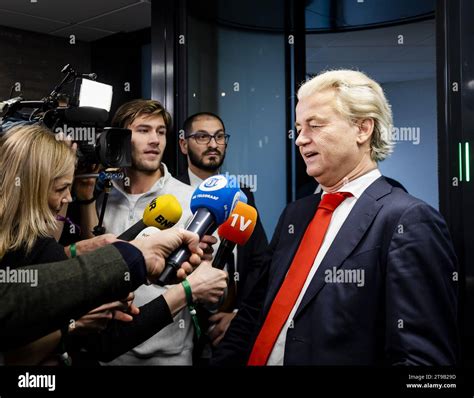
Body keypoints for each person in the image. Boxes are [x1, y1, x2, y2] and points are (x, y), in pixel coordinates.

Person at [212, 69, 459, 366]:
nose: (300, 139)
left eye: (314, 126)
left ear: (363, 129)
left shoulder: (408, 220)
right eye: (299, 127)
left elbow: (422, 361)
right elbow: (254, 312)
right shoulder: (295, 213)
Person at [78, 100, 201, 365]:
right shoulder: (100, 197)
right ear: (121, 138)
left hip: (170, 356)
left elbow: (204, 283)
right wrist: (87, 198)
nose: (155, 140)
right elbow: (92, 266)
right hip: (109, 353)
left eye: (160, 131)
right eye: (143, 130)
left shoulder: (191, 200)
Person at [177, 112, 268, 349]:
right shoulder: (171, 195)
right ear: (184, 145)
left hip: (233, 329)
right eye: (202, 137)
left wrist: (239, 313)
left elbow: (259, 261)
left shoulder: (243, 194)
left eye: (219, 137)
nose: (213, 145)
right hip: (181, 328)